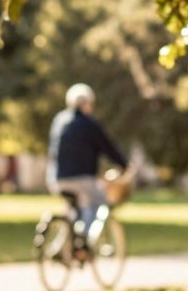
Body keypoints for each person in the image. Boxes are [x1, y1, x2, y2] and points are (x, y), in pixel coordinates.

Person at [47, 84, 128, 232]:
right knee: (98, 202)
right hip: (82, 178)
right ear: (88, 103)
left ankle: (65, 244)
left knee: (73, 210)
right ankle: (85, 241)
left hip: (57, 178)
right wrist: (124, 165)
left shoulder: (59, 121)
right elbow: (108, 148)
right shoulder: (89, 124)